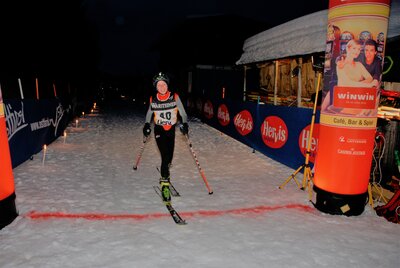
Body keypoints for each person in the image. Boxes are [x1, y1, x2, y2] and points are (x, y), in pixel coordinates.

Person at [143, 72, 189, 204]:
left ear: (167, 85)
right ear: (156, 87)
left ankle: (165, 170)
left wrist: (184, 124)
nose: (162, 87)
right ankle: (165, 184)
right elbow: (148, 115)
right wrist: (146, 125)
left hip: (171, 131)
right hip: (159, 130)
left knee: (169, 157)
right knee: (164, 156)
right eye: (159, 85)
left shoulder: (174, 97)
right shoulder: (154, 99)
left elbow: (183, 114)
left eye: (163, 84)